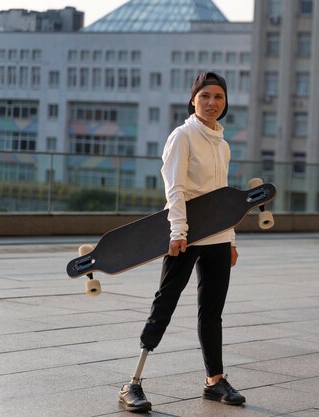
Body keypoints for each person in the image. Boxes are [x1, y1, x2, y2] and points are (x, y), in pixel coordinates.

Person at [119, 71, 245, 413]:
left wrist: (230, 238)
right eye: (205, 96)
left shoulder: (223, 142)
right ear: (193, 100)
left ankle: (214, 381)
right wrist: (178, 232)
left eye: (218, 97)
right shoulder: (182, 136)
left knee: (212, 312)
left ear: (225, 103)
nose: (212, 103)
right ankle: (132, 383)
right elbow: (174, 188)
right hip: (185, 235)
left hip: (217, 237)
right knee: (165, 304)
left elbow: (222, 199)